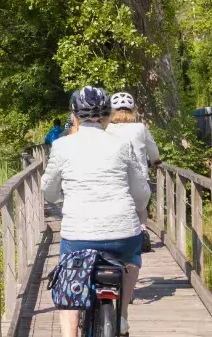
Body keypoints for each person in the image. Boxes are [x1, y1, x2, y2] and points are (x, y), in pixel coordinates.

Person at [43, 86, 149, 337]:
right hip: (122, 234)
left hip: (78, 235)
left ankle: (69, 335)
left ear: (74, 115)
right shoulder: (122, 145)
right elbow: (142, 192)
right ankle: (122, 317)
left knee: (69, 273)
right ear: (107, 115)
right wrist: (138, 208)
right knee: (131, 259)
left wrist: (60, 195)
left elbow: (48, 191)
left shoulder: (62, 146)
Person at [106, 92, 161, 177]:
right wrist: (154, 160)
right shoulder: (140, 128)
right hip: (139, 177)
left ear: (111, 111)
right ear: (133, 111)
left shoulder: (107, 128)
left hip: (115, 178)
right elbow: (153, 151)